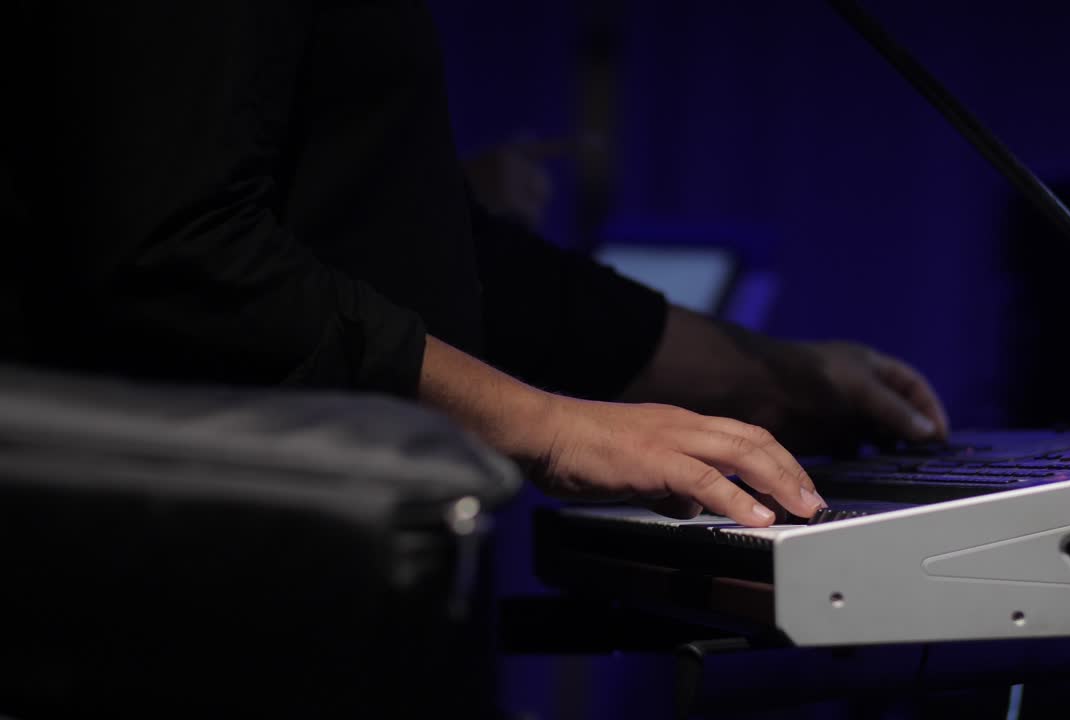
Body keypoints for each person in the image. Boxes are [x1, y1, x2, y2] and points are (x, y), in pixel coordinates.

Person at [2, 0, 947, 527]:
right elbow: (176, 249)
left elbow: (411, 247)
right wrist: (545, 429)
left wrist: (768, 376)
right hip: (186, 578)